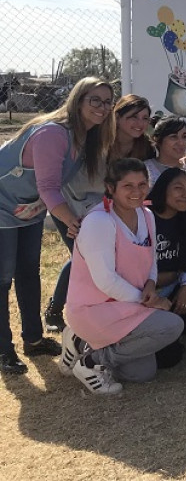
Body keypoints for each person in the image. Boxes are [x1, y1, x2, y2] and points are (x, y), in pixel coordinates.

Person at [0, 77, 115, 374]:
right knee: (3, 278)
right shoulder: (53, 133)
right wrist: (72, 222)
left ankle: (34, 339)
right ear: (78, 101)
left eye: (107, 101)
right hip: (3, 204)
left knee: (28, 272)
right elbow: (50, 187)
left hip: (29, 207)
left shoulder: (87, 137)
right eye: (95, 100)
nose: (102, 107)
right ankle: (3, 349)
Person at [61, 159, 184, 394]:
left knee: (142, 373)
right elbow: (105, 281)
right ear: (110, 187)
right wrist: (150, 300)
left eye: (142, 184)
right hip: (96, 309)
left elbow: (152, 259)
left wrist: (150, 284)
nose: (137, 192)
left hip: (130, 305)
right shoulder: (99, 221)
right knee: (172, 326)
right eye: (128, 186)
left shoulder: (146, 215)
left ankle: (80, 342)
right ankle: (91, 362)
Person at [47, 92, 155, 333]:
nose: (139, 123)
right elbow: (74, 183)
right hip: (74, 205)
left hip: (112, 209)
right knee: (82, 257)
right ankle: (56, 310)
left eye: (145, 118)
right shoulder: (99, 143)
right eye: (132, 117)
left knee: (110, 259)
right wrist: (81, 219)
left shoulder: (144, 148)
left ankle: (109, 303)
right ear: (117, 117)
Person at [146, 167, 186, 332]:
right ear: (163, 188)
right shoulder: (143, 218)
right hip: (141, 291)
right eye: (178, 188)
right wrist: (153, 280)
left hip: (172, 286)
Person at [145, 115, 186, 229]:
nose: (181, 143)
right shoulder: (145, 170)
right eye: (173, 137)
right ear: (157, 140)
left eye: (184, 137)